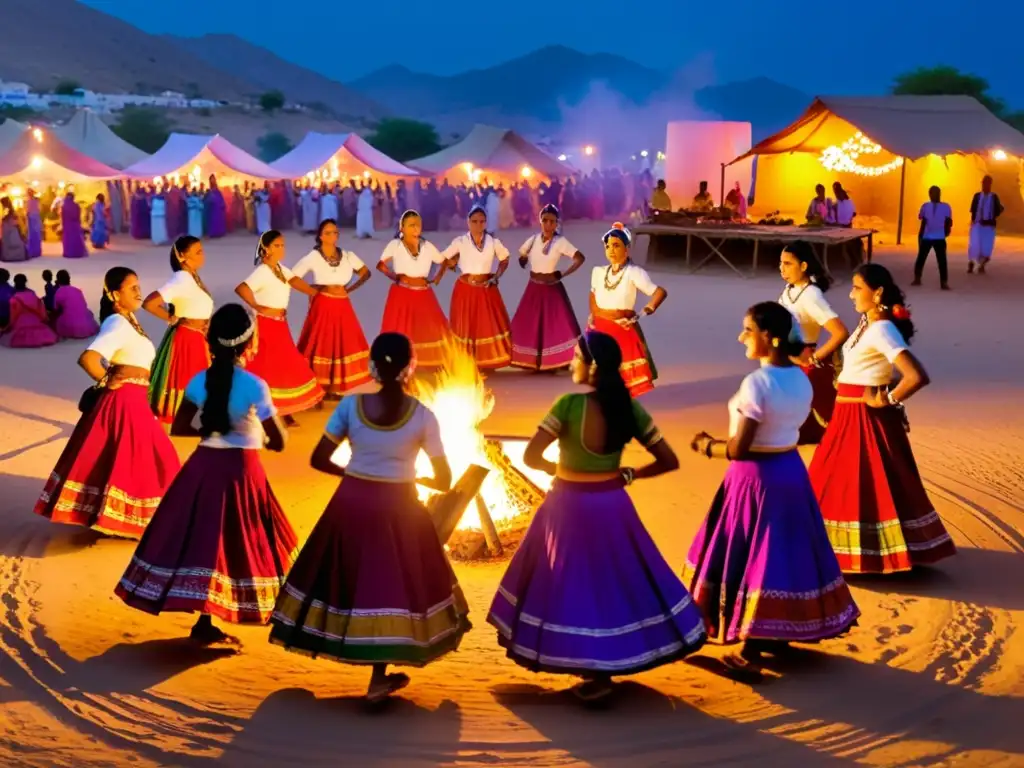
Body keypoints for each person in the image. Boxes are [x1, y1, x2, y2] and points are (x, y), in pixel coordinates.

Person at [488, 331, 707, 701]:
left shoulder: (567, 406)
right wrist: (629, 475)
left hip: (566, 508)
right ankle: (604, 668)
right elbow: (668, 460)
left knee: (568, 585)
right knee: (613, 584)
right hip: (612, 506)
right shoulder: (629, 408)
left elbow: (530, 457)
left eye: (575, 357)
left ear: (591, 366)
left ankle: (588, 668)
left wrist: (557, 470)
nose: (571, 362)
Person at [269, 333, 471, 702]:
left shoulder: (350, 406)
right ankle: (380, 674)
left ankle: (352, 652)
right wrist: (416, 477)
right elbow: (444, 479)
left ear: (372, 367)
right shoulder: (423, 416)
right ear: (411, 368)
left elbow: (319, 459)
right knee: (391, 584)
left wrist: (354, 474)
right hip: (401, 508)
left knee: (347, 581)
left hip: (352, 504)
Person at [686, 302, 859, 674]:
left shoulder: (757, 382)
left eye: (747, 330)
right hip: (790, 473)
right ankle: (773, 634)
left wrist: (706, 445)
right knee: (780, 554)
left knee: (752, 558)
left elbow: (739, 448)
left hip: (754, 479)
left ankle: (748, 650)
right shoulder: (799, 377)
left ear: (769, 337)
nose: (741, 337)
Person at [116, 304, 298, 644]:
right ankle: (254, 613)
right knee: (245, 540)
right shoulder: (256, 385)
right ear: (247, 344)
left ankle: (204, 620)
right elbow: (279, 440)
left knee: (203, 540)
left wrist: (213, 424)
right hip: (242, 471)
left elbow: (181, 427)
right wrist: (260, 432)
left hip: (202, 468)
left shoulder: (199, 380)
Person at [809, 264, 956, 573]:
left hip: (864, 418)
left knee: (860, 483)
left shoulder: (881, 329)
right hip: (847, 414)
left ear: (877, 293)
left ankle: (858, 555)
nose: (851, 294)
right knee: (856, 482)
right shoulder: (868, 323)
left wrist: (887, 399)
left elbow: (915, 376)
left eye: (857, 288)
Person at [34, 267, 181, 537]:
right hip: (123, 402)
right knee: (150, 459)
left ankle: (138, 520)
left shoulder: (128, 321)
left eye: (139, 286)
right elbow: (89, 359)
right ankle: (138, 521)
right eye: (132, 288)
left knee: (141, 460)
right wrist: (107, 381)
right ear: (115, 294)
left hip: (134, 402)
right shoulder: (117, 323)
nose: (139, 292)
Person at [235, 230, 325, 424]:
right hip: (266, 325)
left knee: (282, 365)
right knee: (268, 366)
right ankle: (268, 410)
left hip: (279, 325)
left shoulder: (280, 269)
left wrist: (313, 292)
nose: (281, 249)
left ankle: (281, 410)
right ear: (265, 249)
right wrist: (258, 307)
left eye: (282, 245)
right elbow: (242, 288)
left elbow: (294, 281)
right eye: (276, 245)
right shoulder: (263, 271)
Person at [777, 242, 850, 444]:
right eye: (781, 263)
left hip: (803, 362)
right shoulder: (790, 289)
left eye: (788, 263)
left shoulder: (811, 295)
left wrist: (814, 358)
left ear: (803, 266)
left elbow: (840, 332)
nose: (782, 269)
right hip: (789, 360)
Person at [293, 219, 373, 397]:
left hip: (343, 305)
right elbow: (292, 277)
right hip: (323, 305)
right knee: (324, 344)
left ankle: (336, 387)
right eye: (328, 233)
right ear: (320, 236)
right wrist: (313, 291)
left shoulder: (347, 255)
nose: (333, 236)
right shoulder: (313, 257)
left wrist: (349, 289)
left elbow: (365, 273)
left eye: (335, 232)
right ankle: (321, 388)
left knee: (342, 344)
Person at [145, 236, 215, 424]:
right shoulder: (181, 279)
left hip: (197, 336)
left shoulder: (192, 277)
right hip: (187, 338)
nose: (202, 255)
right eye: (198, 252)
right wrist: (171, 318)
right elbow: (150, 303)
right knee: (189, 378)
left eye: (202, 250)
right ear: (183, 256)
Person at [588, 223, 664, 397]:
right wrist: (593, 314)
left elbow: (659, 292)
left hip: (622, 327)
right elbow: (593, 294)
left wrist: (646, 310)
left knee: (627, 381)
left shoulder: (634, 272)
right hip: (602, 327)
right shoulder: (598, 272)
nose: (611, 250)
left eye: (616, 245)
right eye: (608, 246)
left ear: (627, 248)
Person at [509, 204, 585, 372]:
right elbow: (522, 252)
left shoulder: (560, 242)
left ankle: (557, 360)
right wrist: (522, 258)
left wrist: (563, 274)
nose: (548, 225)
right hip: (534, 287)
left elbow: (579, 258)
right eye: (545, 221)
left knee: (556, 325)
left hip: (552, 288)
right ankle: (533, 361)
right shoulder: (534, 239)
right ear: (540, 221)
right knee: (531, 324)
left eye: (552, 221)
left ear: (557, 223)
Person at [441, 205, 513, 370]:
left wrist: (496, 276)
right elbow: (443, 257)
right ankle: (466, 362)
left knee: (486, 325)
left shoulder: (493, 242)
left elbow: (505, 258)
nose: (478, 225)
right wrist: (452, 264)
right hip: (465, 289)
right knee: (467, 325)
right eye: (474, 221)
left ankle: (487, 362)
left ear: (486, 223)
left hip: (487, 288)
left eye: (481, 222)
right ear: (468, 222)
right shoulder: (460, 242)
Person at [376, 210, 450, 368]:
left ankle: (424, 364)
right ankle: (401, 364)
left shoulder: (427, 246)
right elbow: (381, 265)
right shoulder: (395, 245)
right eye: (411, 225)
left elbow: (443, 261)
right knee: (403, 329)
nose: (415, 228)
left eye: (418, 225)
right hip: (402, 292)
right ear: (402, 228)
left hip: (424, 292)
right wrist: (394, 276)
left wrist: (436, 278)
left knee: (427, 328)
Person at [0, 274, 59, 348]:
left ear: (14, 282)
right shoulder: (32, 293)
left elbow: (13, 316)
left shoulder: (13, 296)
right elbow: (41, 312)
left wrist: (7, 327)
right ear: (26, 281)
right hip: (36, 322)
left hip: (19, 324)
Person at [913, 186, 952, 290]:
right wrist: (920, 235)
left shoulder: (946, 207)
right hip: (927, 236)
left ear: (940, 194)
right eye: (932, 193)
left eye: (936, 193)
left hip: (939, 237)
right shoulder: (925, 206)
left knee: (942, 260)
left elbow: (949, 221)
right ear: (929, 194)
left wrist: (947, 231)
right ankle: (917, 278)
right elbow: (923, 220)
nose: (934, 195)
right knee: (921, 258)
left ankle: (944, 282)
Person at [968, 175, 1003, 274]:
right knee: (974, 245)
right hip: (977, 225)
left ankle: (982, 265)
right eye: (984, 183)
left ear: (990, 184)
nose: (985, 185)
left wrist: (992, 218)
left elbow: (998, 209)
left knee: (986, 247)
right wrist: (973, 222)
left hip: (989, 226)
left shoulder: (994, 197)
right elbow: (972, 210)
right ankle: (971, 264)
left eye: (987, 183)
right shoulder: (977, 196)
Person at [52, 270, 100, 339]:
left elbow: (56, 309)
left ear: (58, 280)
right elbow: (84, 305)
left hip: (70, 324)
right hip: (85, 323)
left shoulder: (59, 291)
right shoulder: (77, 290)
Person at [61, 190, 88, 259]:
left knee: (68, 239)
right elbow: (78, 216)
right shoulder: (76, 206)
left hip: (67, 225)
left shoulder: (64, 206)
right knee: (76, 238)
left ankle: (68, 253)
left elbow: (63, 217)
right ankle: (77, 253)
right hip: (75, 225)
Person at [0, 196, 27, 263]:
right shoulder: (10, 209)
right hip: (10, 226)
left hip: (9, 227)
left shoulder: (7, 209)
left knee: (10, 240)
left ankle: (10, 256)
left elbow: (5, 217)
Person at [25, 189, 43, 259]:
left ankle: (32, 251)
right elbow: (39, 209)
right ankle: (37, 251)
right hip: (36, 218)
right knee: (37, 235)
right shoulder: (37, 201)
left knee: (32, 235)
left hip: (32, 219)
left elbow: (27, 211)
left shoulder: (28, 202)